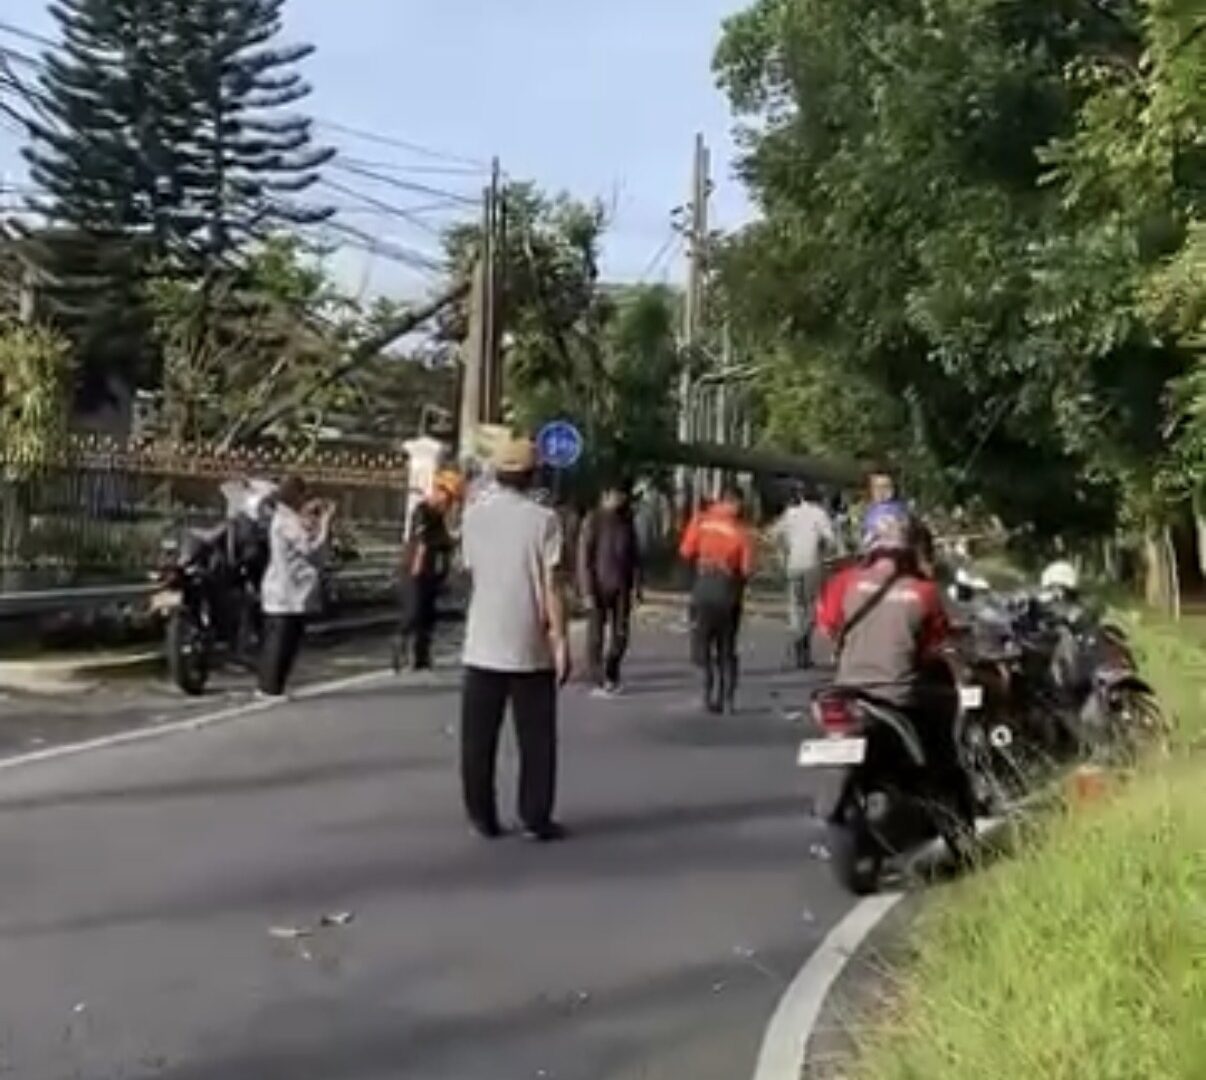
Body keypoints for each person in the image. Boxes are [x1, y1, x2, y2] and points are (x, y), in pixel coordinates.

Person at [815, 502, 975, 825]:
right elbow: (934, 645)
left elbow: (827, 628)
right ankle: (949, 815)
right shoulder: (924, 592)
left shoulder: (843, 582)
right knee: (944, 742)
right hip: (898, 696)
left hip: (846, 693)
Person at [459, 436, 572, 842]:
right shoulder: (544, 520)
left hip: (482, 640)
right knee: (536, 739)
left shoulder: (473, 516)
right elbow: (551, 585)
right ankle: (535, 815)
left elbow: (472, 569)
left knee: (478, 739)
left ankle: (481, 815)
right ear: (531, 475)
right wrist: (560, 640)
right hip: (529, 643)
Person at [679, 485, 756, 714]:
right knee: (727, 647)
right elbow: (747, 569)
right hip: (728, 591)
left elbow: (685, 552)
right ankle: (728, 699)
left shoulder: (700, 521)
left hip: (702, 589)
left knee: (702, 644)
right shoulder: (742, 532)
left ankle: (706, 693)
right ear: (735, 503)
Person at [258, 475, 334, 698]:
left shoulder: (287, 517)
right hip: (287, 591)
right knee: (281, 642)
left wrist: (311, 517)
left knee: (283, 640)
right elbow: (310, 549)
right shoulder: (286, 520)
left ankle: (272, 686)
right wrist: (325, 524)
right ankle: (269, 687)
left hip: (286, 590)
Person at [577, 481, 642, 695]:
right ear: (605, 495)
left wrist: (637, 586)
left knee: (621, 635)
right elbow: (584, 557)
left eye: (622, 496)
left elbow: (635, 557)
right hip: (597, 585)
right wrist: (586, 590)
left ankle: (612, 670)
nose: (619, 499)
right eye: (615, 495)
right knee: (595, 636)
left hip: (622, 586)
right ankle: (596, 678)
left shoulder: (626, 520)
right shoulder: (593, 520)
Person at [396, 469, 462, 672]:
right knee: (413, 612)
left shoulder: (440, 517)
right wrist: (417, 565)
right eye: (448, 498)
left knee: (428, 614)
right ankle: (401, 649)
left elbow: (445, 544)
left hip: (432, 572)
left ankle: (421, 656)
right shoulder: (423, 510)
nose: (449, 503)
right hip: (416, 570)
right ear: (439, 493)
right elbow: (422, 541)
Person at [771, 483, 836, 669]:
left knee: (795, 607)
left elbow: (774, 534)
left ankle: (797, 640)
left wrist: (783, 552)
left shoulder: (790, 513)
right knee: (811, 608)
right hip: (811, 565)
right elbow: (830, 540)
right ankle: (802, 645)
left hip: (793, 566)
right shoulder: (820, 514)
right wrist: (824, 550)